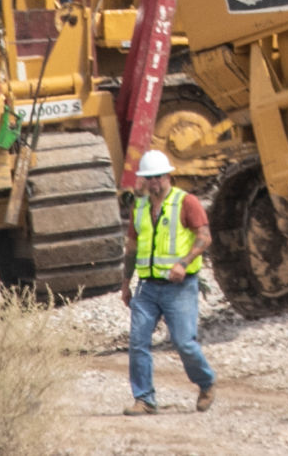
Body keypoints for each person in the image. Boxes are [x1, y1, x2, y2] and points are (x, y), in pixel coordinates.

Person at [122, 149, 216, 415]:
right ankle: (144, 399)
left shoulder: (187, 202)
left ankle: (206, 382)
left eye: (159, 176)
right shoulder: (139, 208)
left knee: (184, 342)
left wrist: (183, 264)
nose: (154, 182)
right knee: (138, 342)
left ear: (168, 176)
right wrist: (125, 283)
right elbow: (131, 248)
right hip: (147, 288)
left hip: (180, 287)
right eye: (149, 177)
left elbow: (204, 237)